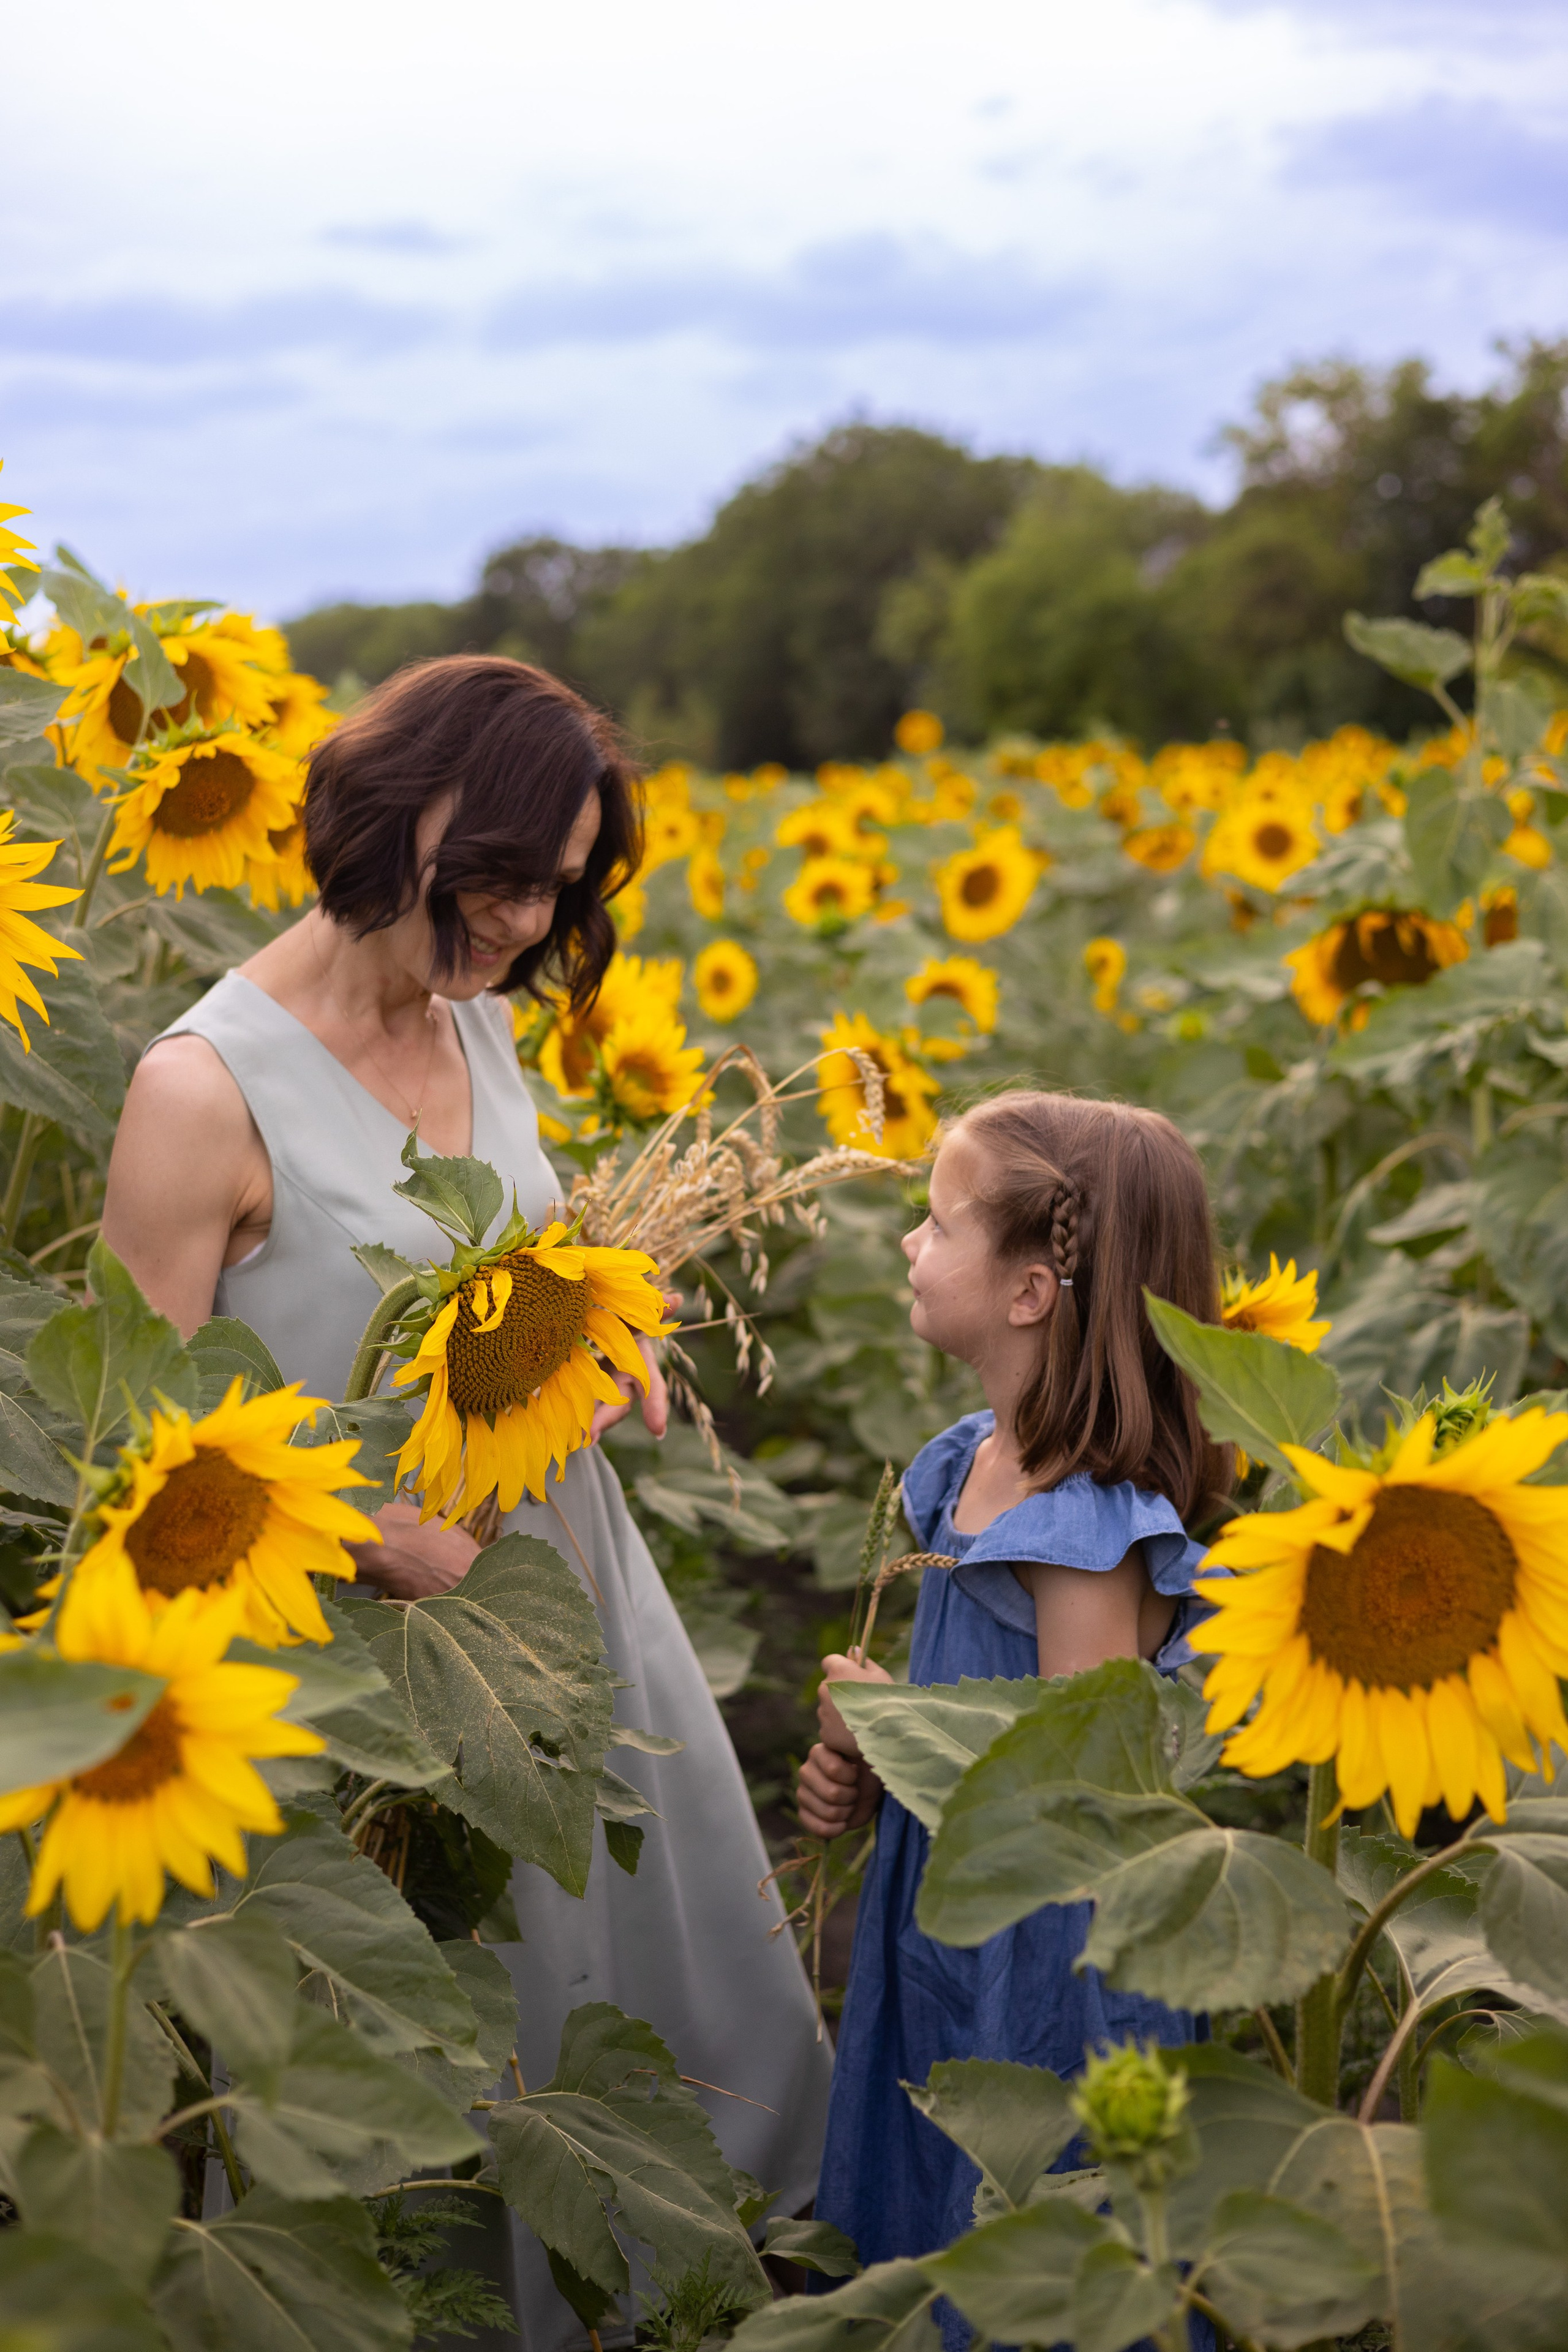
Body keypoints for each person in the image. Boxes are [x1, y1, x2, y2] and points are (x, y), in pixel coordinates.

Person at [101, 654, 833, 2350]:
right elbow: (141, 1440)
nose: (523, 921)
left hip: (557, 1594)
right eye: (499, 874)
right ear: (394, 813)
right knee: (418, 2046)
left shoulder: (477, 1020)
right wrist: (376, 1540)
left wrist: (599, 1336)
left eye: (559, 887)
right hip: (349, 1662)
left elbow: (510, 1262)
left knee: (624, 2019)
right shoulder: (199, 1090)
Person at [796, 1091, 1229, 2337]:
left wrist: (892, 1729)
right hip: (956, 1917)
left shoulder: (1081, 1531)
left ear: (1031, 1292)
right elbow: (968, 1721)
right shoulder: (976, 1463)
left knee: (1026, 2215)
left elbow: (1071, 1789)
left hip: (1042, 1971)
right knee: (935, 2180)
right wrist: (875, 1770)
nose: (908, 1242)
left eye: (936, 1224)